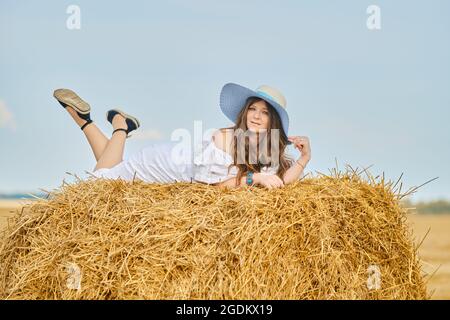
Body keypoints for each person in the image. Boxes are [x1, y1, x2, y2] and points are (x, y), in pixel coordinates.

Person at [53, 83, 311, 189]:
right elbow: (215, 188)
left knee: (110, 173)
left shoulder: (261, 147)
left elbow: (279, 183)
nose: (256, 115)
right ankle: (120, 126)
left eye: (264, 113)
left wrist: (303, 160)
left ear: (272, 121)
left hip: (174, 161)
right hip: (161, 165)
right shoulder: (225, 139)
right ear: (244, 113)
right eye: (252, 109)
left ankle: (101, 122)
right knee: (98, 185)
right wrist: (256, 178)